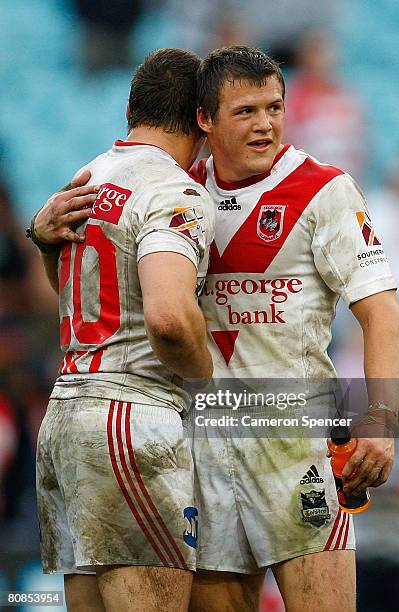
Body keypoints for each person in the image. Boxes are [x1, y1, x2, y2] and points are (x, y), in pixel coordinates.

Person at [32, 46, 399, 612]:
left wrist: (379, 419)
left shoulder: (324, 190)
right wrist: (46, 235)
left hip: (291, 446)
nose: (266, 124)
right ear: (205, 119)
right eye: (246, 111)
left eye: (274, 107)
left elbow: (382, 315)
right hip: (200, 447)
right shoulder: (179, 190)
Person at [28, 48, 214, 612]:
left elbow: (59, 298)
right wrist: (207, 376)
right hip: (130, 417)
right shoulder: (176, 192)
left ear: (130, 108)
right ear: (203, 119)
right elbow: (168, 316)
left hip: (64, 414)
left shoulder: (85, 179)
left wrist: (41, 240)